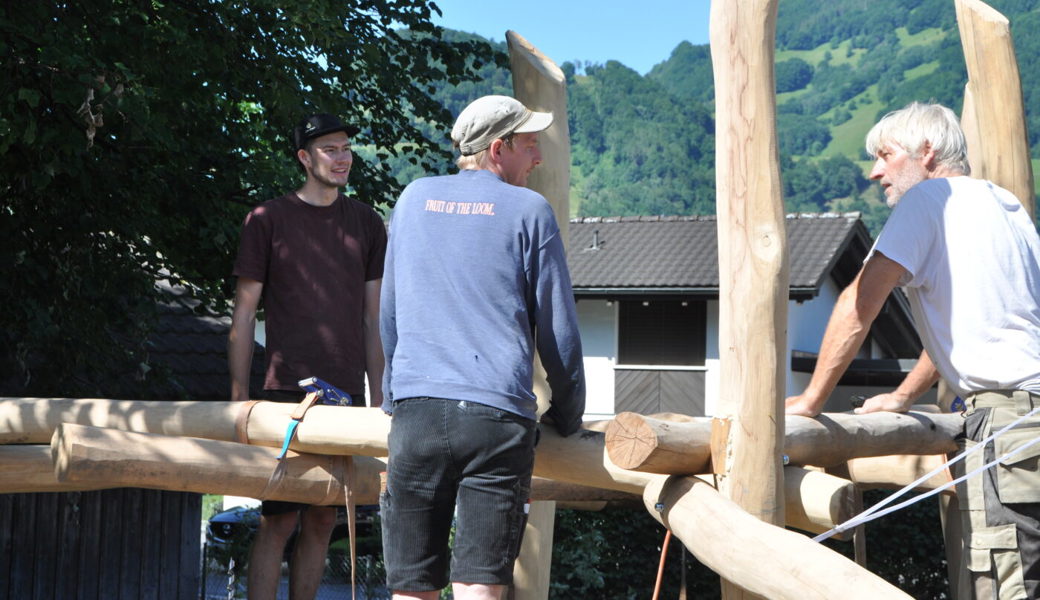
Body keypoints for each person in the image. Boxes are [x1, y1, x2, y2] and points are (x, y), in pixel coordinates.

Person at [785, 102, 1040, 598]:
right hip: (1027, 418)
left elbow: (859, 303)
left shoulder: (927, 200)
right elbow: (971, 329)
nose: (874, 172)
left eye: (886, 155)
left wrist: (812, 399)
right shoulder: (1006, 205)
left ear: (927, 152)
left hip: (1007, 429)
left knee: (1007, 583)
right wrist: (903, 396)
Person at [378, 95, 586, 600]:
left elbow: (390, 313)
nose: (538, 158)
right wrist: (568, 414)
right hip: (495, 418)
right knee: (479, 588)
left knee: (411, 589)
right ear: (499, 149)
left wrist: (392, 398)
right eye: (530, 145)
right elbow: (558, 331)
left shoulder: (412, 199)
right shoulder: (530, 210)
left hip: (417, 414)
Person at [227, 113, 388, 600]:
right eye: (330, 150)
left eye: (346, 149)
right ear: (304, 157)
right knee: (277, 520)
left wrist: (378, 398)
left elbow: (374, 319)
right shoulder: (267, 219)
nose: (342, 158)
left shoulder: (367, 222)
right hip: (284, 391)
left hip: (345, 394)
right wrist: (238, 398)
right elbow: (243, 314)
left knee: (322, 519)